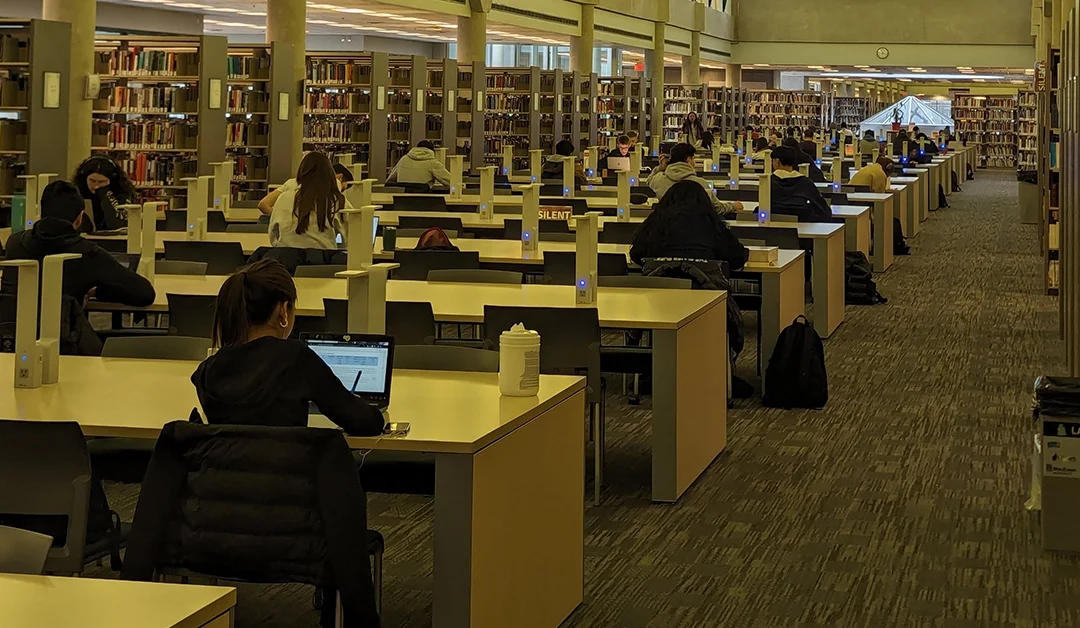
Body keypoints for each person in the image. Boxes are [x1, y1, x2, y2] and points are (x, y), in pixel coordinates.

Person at [191, 259, 386, 436]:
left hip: (221, 474)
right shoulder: (296, 359)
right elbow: (366, 423)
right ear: (283, 311)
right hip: (288, 473)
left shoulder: (207, 371)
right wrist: (351, 403)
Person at [629, 180, 750, 397]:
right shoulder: (712, 224)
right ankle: (718, 373)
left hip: (658, 302)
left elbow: (636, 255)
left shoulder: (656, 223)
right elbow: (737, 257)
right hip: (707, 300)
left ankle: (651, 372)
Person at [2, 180, 155, 308]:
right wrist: (97, 292)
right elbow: (145, 293)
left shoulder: (15, 242)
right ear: (79, 219)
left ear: (42, 213)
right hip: (64, 337)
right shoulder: (87, 253)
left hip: (10, 334)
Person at [269, 151, 349, 250]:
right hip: (322, 261)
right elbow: (351, 233)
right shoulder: (337, 200)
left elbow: (273, 234)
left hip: (287, 260)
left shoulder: (283, 198)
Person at [646, 143, 742, 217]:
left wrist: (660, 168)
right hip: (693, 232)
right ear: (688, 160)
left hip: (666, 232)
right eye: (693, 159)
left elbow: (649, 180)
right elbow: (717, 209)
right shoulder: (699, 183)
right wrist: (734, 206)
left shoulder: (658, 179)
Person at [258, 161, 353, 215]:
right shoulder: (333, 196)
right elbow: (352, 218)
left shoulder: (291, 183)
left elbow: (263, 204)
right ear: (339, 177)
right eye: (342, 188)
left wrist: (281, 219)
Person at [770, 145, 833, 223]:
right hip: (801, 229)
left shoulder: (768, 182)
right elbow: (824, 211)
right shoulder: (805, 182)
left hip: (770, 230)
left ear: (777, 162)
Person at [72, 155, 136, 232]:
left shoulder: (123, 191)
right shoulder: (76, 190)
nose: (96, 186)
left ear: (112, 180)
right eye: (92, 181)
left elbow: (119, 224)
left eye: (101, 182)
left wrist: (105, 194)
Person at [385, 140, 451, 192]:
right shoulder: (433, 163)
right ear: (432, 151)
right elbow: (450, 182)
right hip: (423, 202)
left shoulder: (403, 159)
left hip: (402, 202)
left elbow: (389, 180)